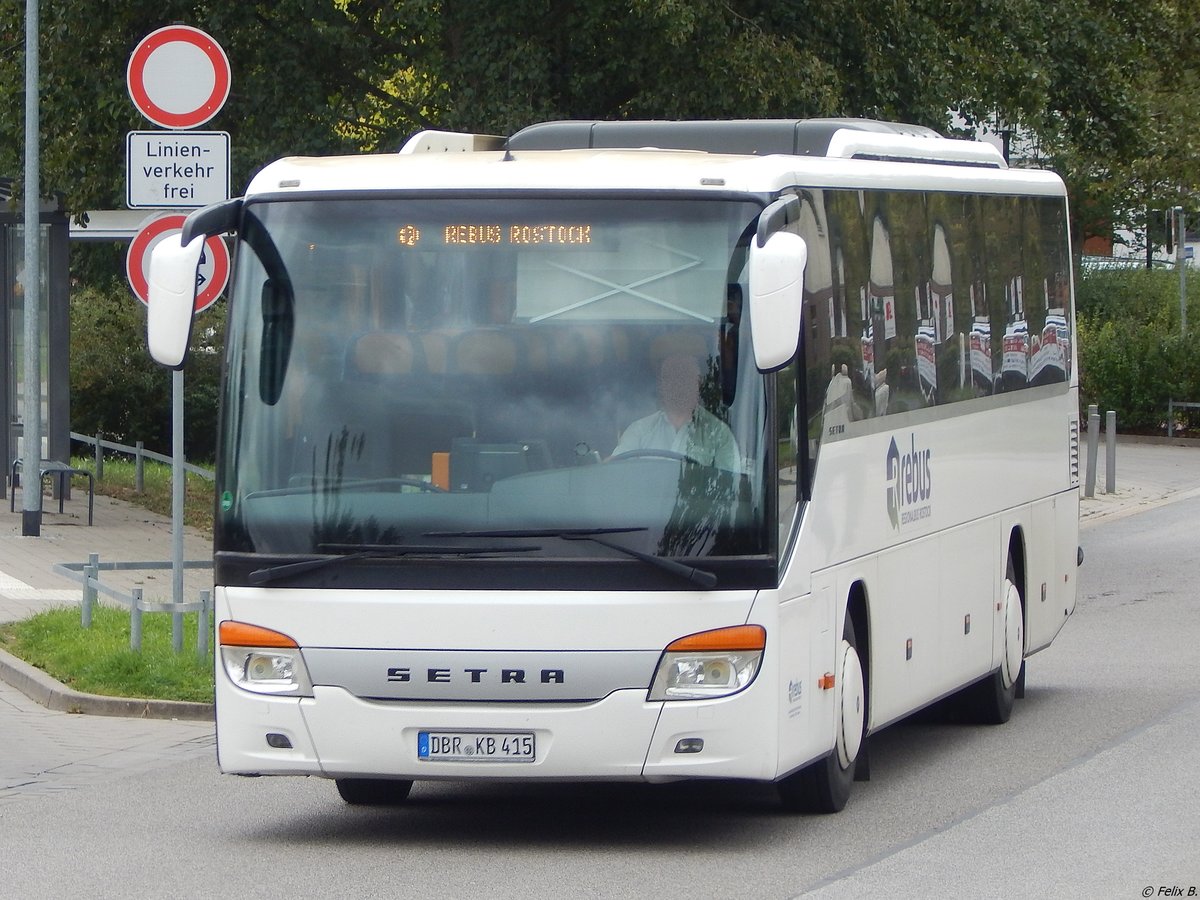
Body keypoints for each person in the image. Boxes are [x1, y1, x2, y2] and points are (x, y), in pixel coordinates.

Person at [611, 352, 741, 471]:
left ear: (698, 383)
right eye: (670, 378)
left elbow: (730, 488)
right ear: (661, 385)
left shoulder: (719, 434)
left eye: (684, 377)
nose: (678, 385)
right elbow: (615, 473)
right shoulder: (639, 431)